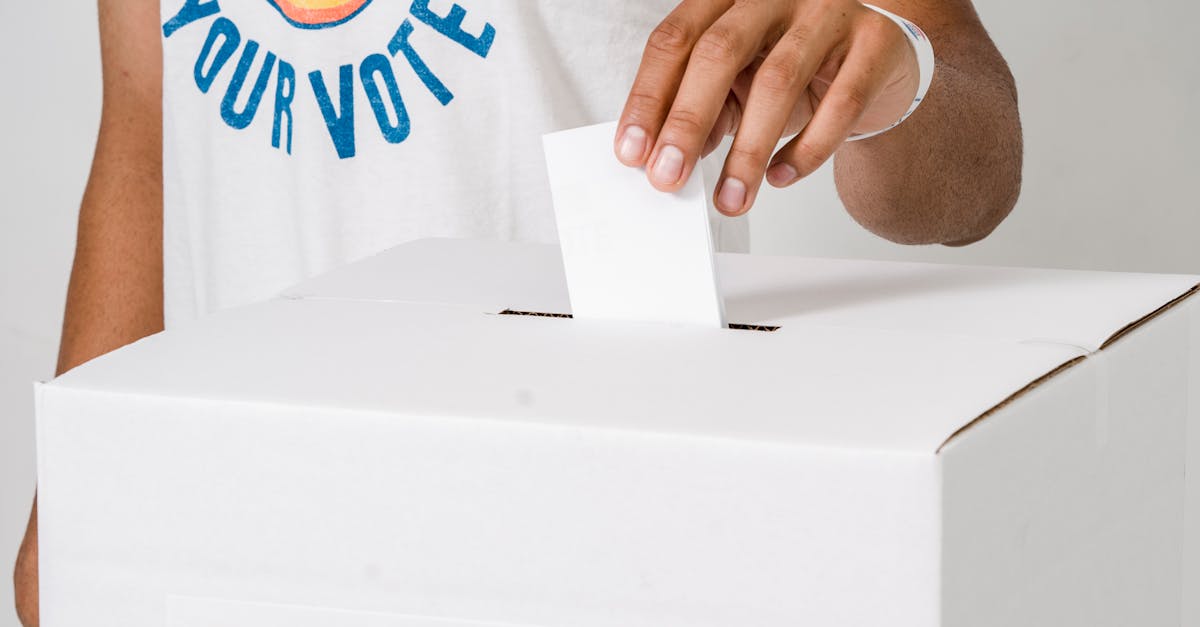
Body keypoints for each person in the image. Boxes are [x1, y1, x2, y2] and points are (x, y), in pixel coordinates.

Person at [13, 0, 1020, 623]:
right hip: (234, 538)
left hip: (576, 546)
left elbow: (972, 176)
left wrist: (894, 67)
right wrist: (74, 491)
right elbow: (146, 116)